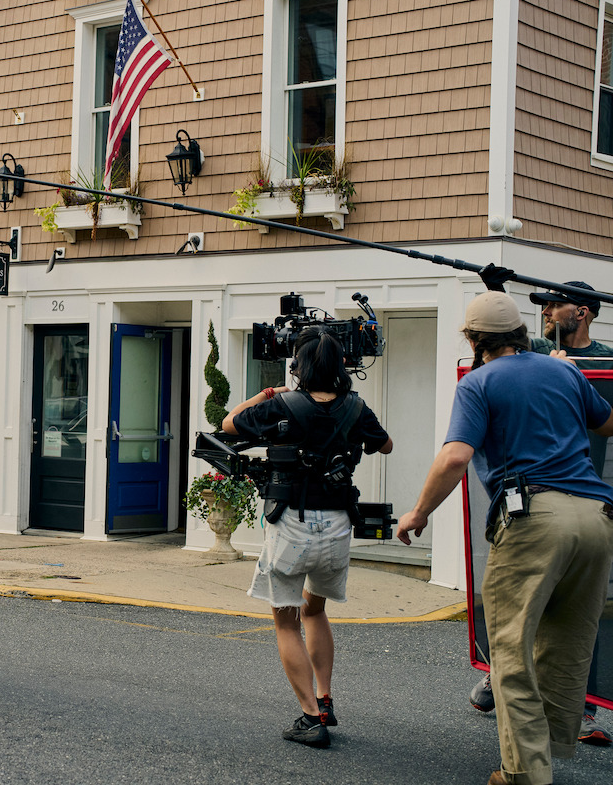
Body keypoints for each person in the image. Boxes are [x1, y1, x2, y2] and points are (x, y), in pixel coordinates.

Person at [396, 291, 613, 785]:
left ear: (473, 340)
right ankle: (554, 746)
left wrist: (417, 513)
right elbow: (607, 423)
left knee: (512, 651)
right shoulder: (564, 370)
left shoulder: (479, 382)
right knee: (569, 642)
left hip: (535, 518)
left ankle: (524, 775)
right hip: (598, 519)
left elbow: (455, 457)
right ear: (521, 332)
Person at [221, 327, 393, 748]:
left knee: (286, 620)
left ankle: (309, 718)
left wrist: (266, 395)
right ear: (340, 366)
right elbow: (385, 446)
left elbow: (227, 425)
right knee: (314, 612)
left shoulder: (281, 404)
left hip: (292, 525)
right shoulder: (356, 407)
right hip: (337, 526)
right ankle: (326, 699)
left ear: (299, 367)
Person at [465, 281, 613, 746]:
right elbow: (503, 341)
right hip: (557, 506)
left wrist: (574, 377)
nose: (546, 312)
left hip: (568, 498)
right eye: (541, 306)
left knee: (570, 623)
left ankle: (565, 724)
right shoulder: (543, 354)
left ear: (584, 313)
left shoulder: (603, 359)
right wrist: (494, 288)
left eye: (555, 304)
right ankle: (510, 687)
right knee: (536, 616)